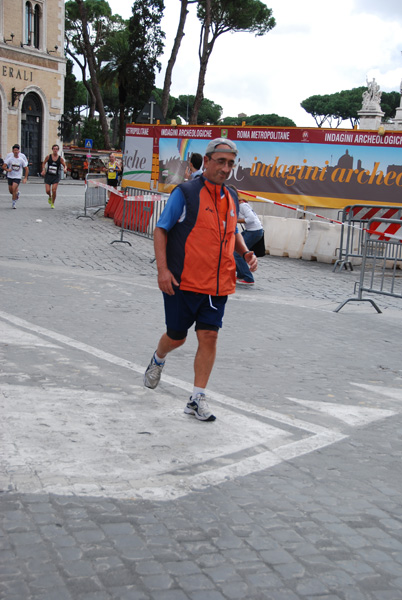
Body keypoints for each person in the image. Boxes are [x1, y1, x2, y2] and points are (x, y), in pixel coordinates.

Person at [143, 138, 258, 422]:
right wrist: (163, 271)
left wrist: (245, 251)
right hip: (183, 283)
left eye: (230, 163)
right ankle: (158, 357)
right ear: (206, 162)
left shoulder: (231, 196)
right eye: (220, 161)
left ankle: (197, 398)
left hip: (217, 285)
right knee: (177, 337)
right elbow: (161, 229)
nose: (225, 168)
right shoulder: (186, 193)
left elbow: (231, 230)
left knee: (209, 336)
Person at [233, 196, 264, 285]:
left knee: (238, 253)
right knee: (235, 250)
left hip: (254, 231)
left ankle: (248, 277)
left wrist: (236, 220)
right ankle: (241, 274)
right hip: (252, 231)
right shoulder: (241, 205)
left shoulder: (243, 206)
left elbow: (251, 219)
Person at [3, 144, 28, 209]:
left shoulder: (21, 159)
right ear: (13, 151)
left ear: (19, 151)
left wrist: (25, 178)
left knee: (14, 188)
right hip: (10, 176)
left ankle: (14, 203)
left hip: (17, 176)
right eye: (15, 150)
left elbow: (26, 168)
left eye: (17, 150)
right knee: (11, 191)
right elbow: (3, 166)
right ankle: (17, 193)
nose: (16, 152)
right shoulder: (10, 158)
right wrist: (7, 169)